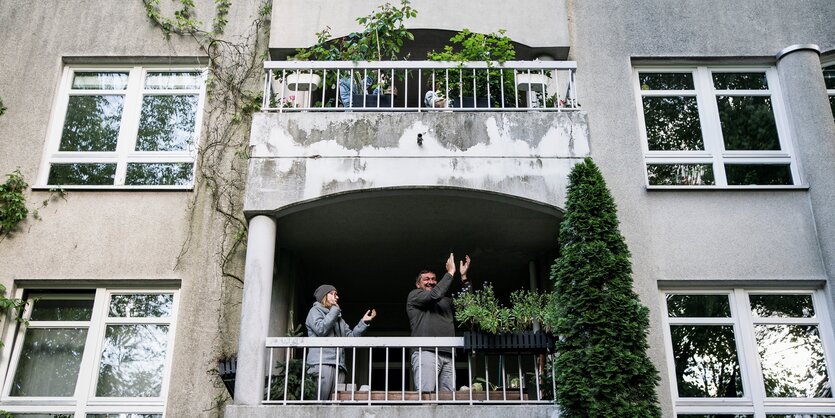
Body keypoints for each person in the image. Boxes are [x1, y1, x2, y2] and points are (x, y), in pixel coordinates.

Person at [406, 253, 471, 392]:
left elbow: (468, 307)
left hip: (448, 353)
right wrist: (450, 272)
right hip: (426, 351)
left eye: (434, 279)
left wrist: (464, 278)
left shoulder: (446, 301)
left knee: (448, 399)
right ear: (418, 284)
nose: (431, 281)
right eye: (426, 279)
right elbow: (434, 295)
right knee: (426, 396)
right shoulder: (414, 296)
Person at [306, 284, 377, 400]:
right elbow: (321, 329)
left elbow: (351, 338)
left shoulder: (339, 319)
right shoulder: (314, 311)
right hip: (321, 363)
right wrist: (334, 311)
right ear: (324, 296)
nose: (337, 297)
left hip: (339, 366)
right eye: (333, 294)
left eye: (336, 294)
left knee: (335, 404)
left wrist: (363, 322)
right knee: (319, 403)